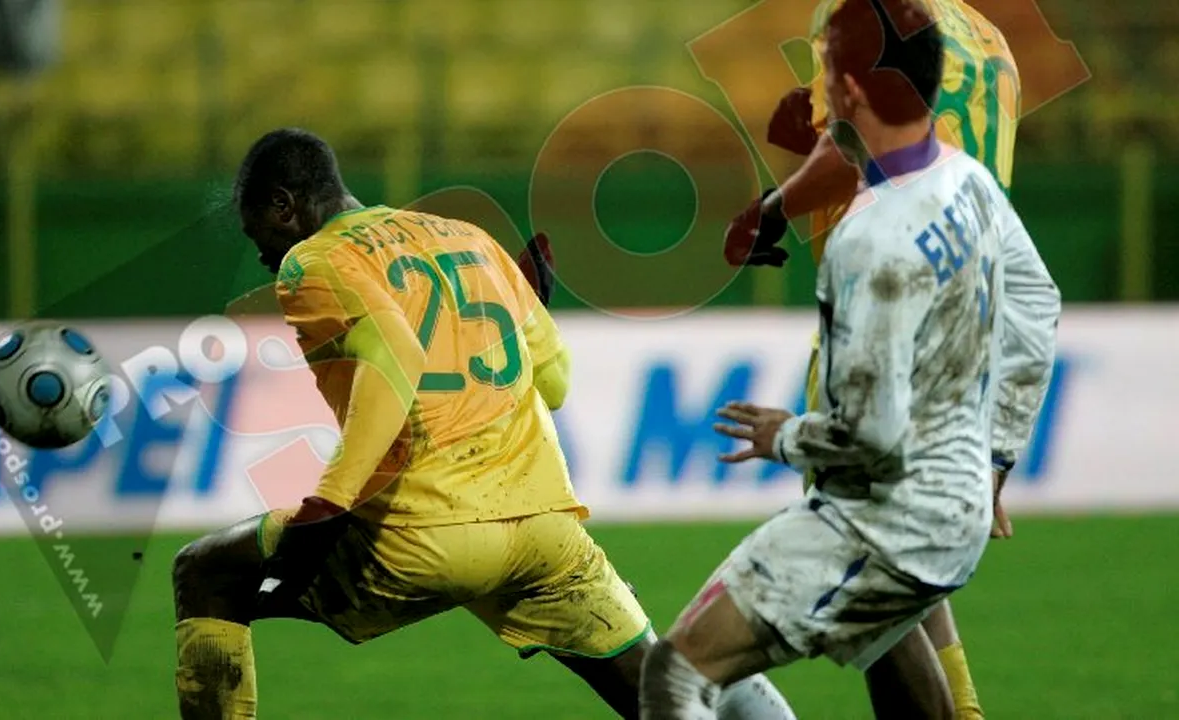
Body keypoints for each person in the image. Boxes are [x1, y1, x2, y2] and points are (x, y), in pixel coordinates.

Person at [172, 127, 795, 719]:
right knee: (659, 693)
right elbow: (554, 384)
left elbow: (394, 361)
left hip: (425, 534)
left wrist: (326, 506)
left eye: (261, 236)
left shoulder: (313, 262)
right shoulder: (467, 238)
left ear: (285, 206)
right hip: (544, 528)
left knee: (204, 573)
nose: (264, 256)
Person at [642, 1, 1028, 716]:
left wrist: (773, 207)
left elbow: (852, 149)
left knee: (865, 551)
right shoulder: (991, 40)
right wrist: (998, 448)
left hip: (891, 297)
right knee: (893, 562)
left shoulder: (862, 16)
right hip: (973, 288)